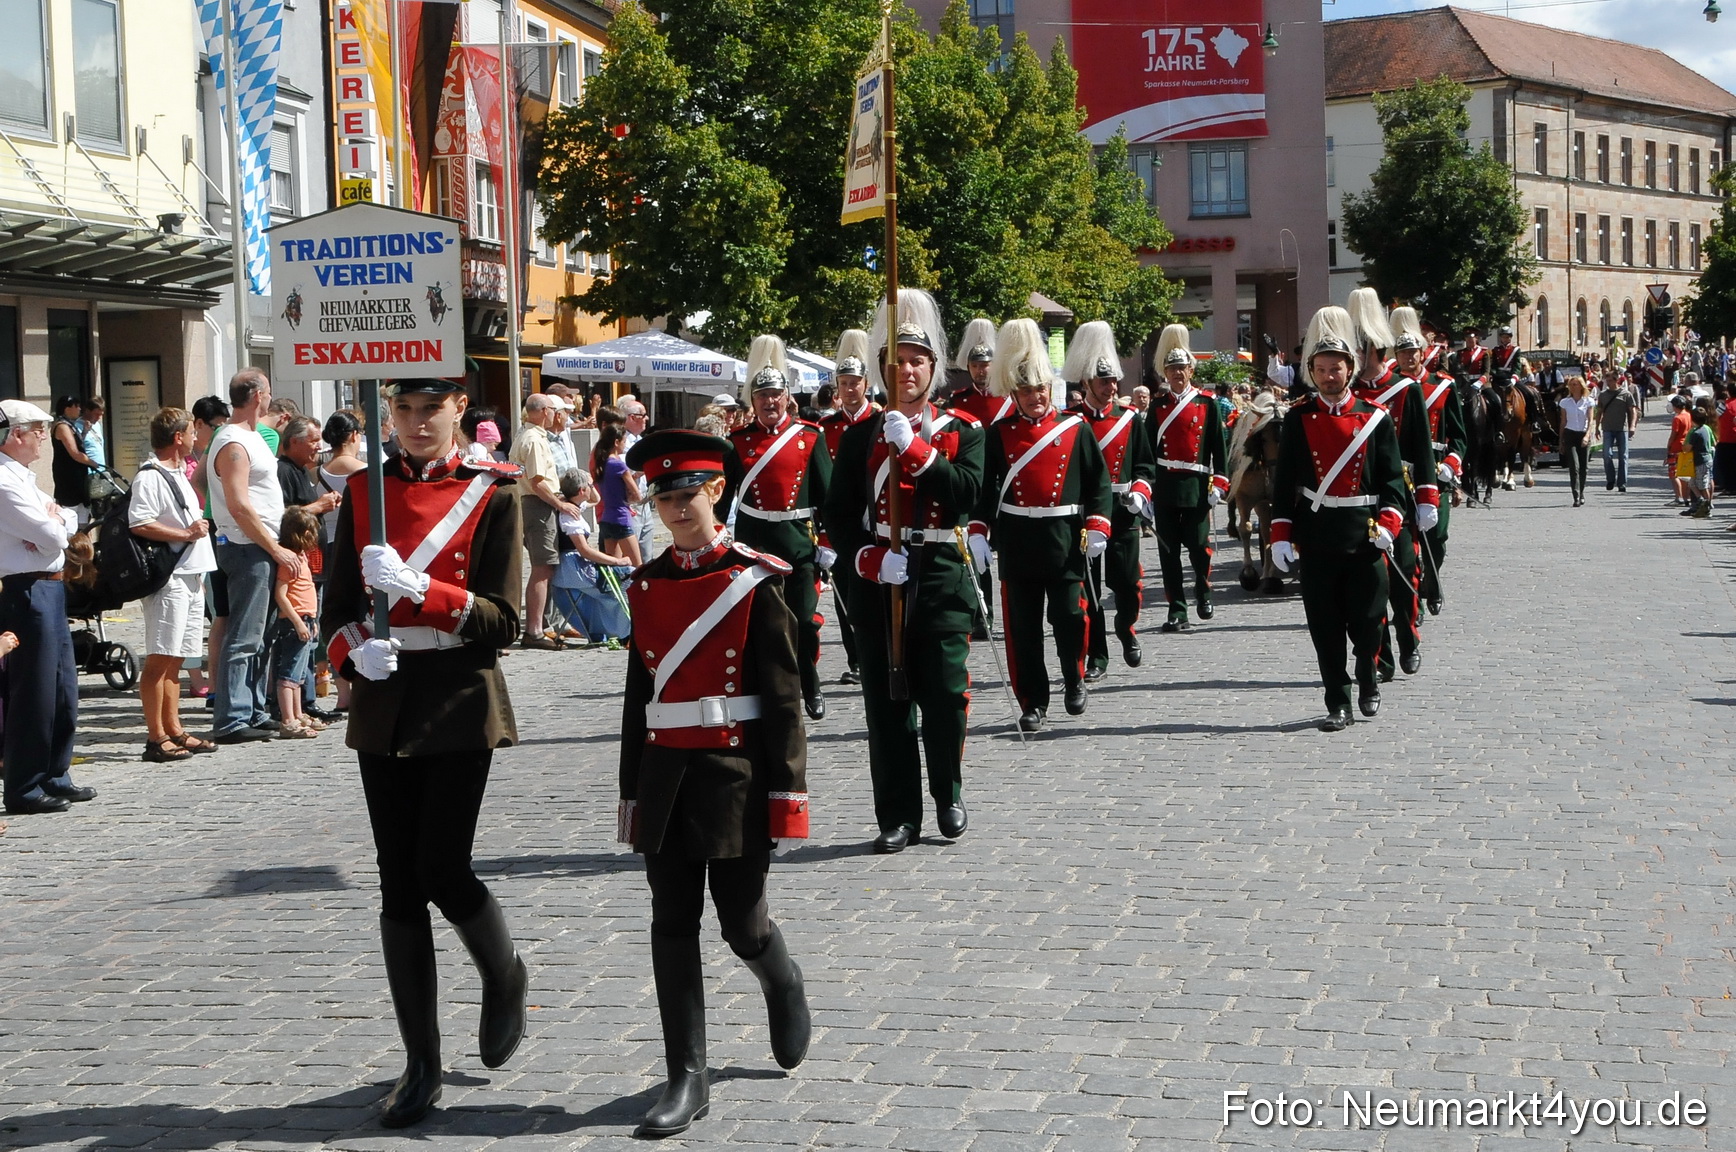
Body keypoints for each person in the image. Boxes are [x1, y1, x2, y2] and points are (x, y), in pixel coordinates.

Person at [321, 376, 529, 1129]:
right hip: (387, 697)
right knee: (398, 883)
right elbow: (337, 608)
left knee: (441, 865)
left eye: (429, 409)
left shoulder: (494, 492)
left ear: (458, 410)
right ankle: (421, 1064)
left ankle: (504, 973)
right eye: (402, 409)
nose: (414, 422)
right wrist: (351, 654)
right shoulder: (363, 492)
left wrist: (422, 589)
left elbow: (505, 621)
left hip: (459, 697)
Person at [616, 428, 811, 1138]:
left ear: (717, 491)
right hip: (666, 773)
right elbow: (638, 700)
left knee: (741, 923)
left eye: (687, 494)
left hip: (735, 776)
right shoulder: (646, 584)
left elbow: (784, 701)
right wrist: (631, 793)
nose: (676, 509)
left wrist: (788, 799)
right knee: (671, 922)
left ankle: (781, 979)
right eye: (663, 498)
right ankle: (687, 1075)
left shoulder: (755, 580)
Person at [822, 288, 985, 854]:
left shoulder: (964, 430)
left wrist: (917, 452)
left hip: (940, 573)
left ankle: (948, 794)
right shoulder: (859, 436)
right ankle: (898, 814)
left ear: (933, 369)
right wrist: (866, 559)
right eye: (897, 362)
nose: (908, 371)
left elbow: (968, 493)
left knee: (945, 696)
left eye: (918, 361)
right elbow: (839, 514)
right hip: (880, 580)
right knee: (887, 706)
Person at [1268, 307, 1408, 732]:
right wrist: (1280, 534)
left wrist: (1389, 523)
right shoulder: (1298, 418)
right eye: (1321, 370)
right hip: (1318, 535)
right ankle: (1338, 702)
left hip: (1365, 534)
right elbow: (1284, 482)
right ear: (1312, 372)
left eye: (1336, 369)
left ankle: (1368, 676)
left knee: (1369, 621)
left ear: (1350, 369)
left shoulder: (1374, 418)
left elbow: (1392, 480)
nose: (1329, 377)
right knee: (1324, 627)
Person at [973, 318, 1111, 731]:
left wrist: (1098, 525)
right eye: (1027, 390)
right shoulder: (999, 434)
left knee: (1070, 617)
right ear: (1014, 394)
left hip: (1064, 538)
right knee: (1023, 629)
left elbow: (1098, 483)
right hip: (1018, 540)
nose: (1036, 396)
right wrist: (978, 531)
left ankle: (1074, 676)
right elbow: (985, 489)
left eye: (1041, 388)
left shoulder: (1075, 428)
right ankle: (1032, 701)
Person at [719, 335, 833, 721]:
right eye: (762, 395)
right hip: (754, 542)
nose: (770, 402)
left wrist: (828, 541)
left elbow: (828, 497)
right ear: (753, 401)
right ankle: (768, 689)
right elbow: (722, 499)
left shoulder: (809, 437)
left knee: (805, 620)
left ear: (787, 397)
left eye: (775, 395)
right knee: (760, 621)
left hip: (797, 541)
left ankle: (810, 683)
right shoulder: (738, 442)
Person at [0, 398, 94, 815]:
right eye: (38, 430)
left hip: (50, 587)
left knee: (62, 688)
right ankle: (24, 785)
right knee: (33, 690)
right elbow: (54, 534)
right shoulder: (4, 481)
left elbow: (69, 519)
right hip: (26, 588)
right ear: (16, 434)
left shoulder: (21, 476)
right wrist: (54, 523)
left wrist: (56, 522)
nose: (44, 436)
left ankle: (55, 772)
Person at [1348, 291, 1436, 680]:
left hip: (1399, 495)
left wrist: (1427, 496)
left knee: (1404, 574)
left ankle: (1409, 640)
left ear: (1375, 349)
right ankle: (1378, 657)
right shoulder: (1349, 394)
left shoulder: (1405, 389)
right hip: (1359, 498)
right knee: (1370, 586)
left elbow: (1421, 448)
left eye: (1360, 348)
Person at [1062, 320, 1153, 682]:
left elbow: (1145, 465)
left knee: (1128, 583)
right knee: (1090, 591)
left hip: (1123, 511)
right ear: (1087, 383)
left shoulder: (1129, 419)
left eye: (1114, 381)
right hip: (1086, 516)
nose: (1112, 387)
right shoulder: (1070, 421)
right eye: (1104, 381)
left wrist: (1140, 492)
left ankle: (1126, 628)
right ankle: (1097, 654)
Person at [130, 406, 218, 762]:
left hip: (192, 575)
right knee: (160, 657)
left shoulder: (180, 472)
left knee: (177, 658)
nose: (196, 437)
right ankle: (156, 737)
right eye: (191, 432)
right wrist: (185, 534)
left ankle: (174, 728)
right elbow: (139, 522)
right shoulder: (150, 476)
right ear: (178, 437)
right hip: (170, 579)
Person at [209, 368, 292, 744]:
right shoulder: (233, 442)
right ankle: (232, 718)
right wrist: (273, 547)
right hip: (247, 546)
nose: (270, 398)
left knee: (263, 635)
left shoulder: (252, 436)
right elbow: (239, 504)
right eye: (269, 391)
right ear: (258, 395)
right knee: (244, 635)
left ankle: (254, 708)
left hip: (263, 544)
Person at [1145, 324, 1229, 633]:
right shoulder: (1158, 407)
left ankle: (1203, 591)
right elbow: (1147, 452)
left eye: (1182, 368)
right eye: (1172, 369)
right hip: (1166, 485)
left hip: (1196, 485)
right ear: (1165, 373)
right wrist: (1146, 489)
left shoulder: (1206, 404)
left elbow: (1218, 448)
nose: (1177, 373)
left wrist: (1219, 482)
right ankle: (1176, 609)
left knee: (1198, 546)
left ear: (1191, 370)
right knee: (1168, 553)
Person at [817, 329, 879, 685]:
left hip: (875, 518)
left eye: (855, 382)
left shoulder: (880, 421)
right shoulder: (826, 428)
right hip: (840, 521)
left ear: (866, 384)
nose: (850, 389)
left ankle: (878, 654)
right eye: (844, 384)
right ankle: (856, 660)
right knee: (844, 595)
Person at [1393, 308, 1463, 615]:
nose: (1409, 357)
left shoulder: (1443, 385)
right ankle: (1412, 601)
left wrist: (1451, 463)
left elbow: (1459, 435)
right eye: (1403, 353)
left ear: (1423, 354)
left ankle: (1431, 584)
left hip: (1435, 469)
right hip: (1401, 470)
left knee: (1436, 537)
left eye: (1413, 352)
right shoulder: (1391, 388)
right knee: (1405, 542)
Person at [944, 318, 1006, 638]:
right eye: (976, 365)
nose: (981, 370)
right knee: (974, 550)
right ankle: (984, 615)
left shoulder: (1008, 397)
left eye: (985, 364)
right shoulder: (958, 401)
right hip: (974, 482)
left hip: (1004, 483)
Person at [509, 393, 583, 650]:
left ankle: (540, 626)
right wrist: (560, 504)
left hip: (537, 504)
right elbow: (537, 481)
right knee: (543, 567)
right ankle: (534, 630)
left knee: (546, 567)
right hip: (537, 505)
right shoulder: (533, 439)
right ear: (543, 411)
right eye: (553, 408)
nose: (556, 413)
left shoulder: (531, 435)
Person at [551, 469, 633, 645]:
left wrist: (589, 482)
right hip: (572, 568)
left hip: (576, 564)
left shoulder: (574, 504)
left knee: (623, 577)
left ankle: (618, 630)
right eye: (589, 486)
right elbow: (585, 550)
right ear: (582, 490)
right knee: (616, 590)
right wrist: (617, 560)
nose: (592, 488)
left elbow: (596, 499)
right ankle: (623, 632)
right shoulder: (569, 516)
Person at [268, 506, 323, 738]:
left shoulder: (301, 557)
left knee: (298, 676)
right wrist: (298, 622)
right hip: (294, 623)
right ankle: (288, 720)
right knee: (289, 676)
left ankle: (298, 714)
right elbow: (281, 595)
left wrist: (312, 620)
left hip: (306, 620)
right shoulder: (288, 561)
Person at [593, 423, 644, 568]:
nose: (625, 444)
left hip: (606, 518)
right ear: (616, 442)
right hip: (621, 517)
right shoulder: (619, 465)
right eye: (624, 441)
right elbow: (637, 495)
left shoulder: (602, 463)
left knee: (615, 567)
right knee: (637, 566)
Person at [50, 395, 95, 526]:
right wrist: (93, 463)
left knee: (83, 513)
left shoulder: (71, 425)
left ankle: (82, 533)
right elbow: (75, 453)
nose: (79, 409)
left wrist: (85, 432)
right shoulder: (62, 426)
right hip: (68, 477)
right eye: (77, 406)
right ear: (67, 408)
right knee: (71, 512)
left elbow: (78, 445)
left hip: (79, 476)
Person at [1595, 371, 1638, 493]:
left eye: (1610, 380)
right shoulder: (1603, 395)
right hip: (1607, 428)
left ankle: (1622, 483)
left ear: (1616, 380)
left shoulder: (1625, 394)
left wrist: (1632, 426)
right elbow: (1599, 412)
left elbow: (1632, 411)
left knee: (1623, 456)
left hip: (1621, 428)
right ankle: (1610, 479)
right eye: (1606, 380)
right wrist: (1597, 427)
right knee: (1606, 455)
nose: (1608, 383)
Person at [1557, 375, 1595, 507]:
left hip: (1583, 434)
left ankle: (1582, 492)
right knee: (1574, 466)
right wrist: (1561, 440)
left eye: (1575, 384)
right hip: (1570, 434)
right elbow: (1563, 422)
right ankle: (1576, 495)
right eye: (1571, 385)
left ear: (1581, 386)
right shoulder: (1565, 402)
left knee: (1584, 467)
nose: (1573, 387)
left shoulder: (1588, 401)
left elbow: (1590, 421)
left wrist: (1587, 436)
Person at [1685, 407, 1716, 518]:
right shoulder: (1707, 428)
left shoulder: (1695, 433)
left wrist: (1684, 446)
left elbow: (1687, 448)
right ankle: (1701, 500)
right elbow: (1714, 442)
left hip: (1701, 461)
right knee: (1692, 483)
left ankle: (1707, 506)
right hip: (1707, 458)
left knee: (1702, 485)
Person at [1668, 393, 1693, 505]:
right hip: (1687, 446)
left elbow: (1674, 434)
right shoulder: (1689, 415)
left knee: (1674, 473)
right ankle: (1686, 497)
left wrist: (1668, 446)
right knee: (1685, 473)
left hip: (1676, 446)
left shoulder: (1677, 418)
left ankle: (1679, 497)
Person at [79, 396, 107, 471]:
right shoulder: (77, 426)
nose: (98, 417)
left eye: (101, 415)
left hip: (101, 469)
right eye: (96, 414)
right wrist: (84, 432)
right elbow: (76, 448)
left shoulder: (97, 425)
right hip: (88, 471)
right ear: (87, 411)